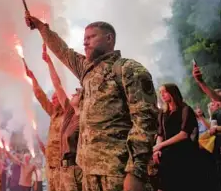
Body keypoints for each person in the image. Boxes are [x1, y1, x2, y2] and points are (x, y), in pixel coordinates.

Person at [25, 14, 158, 191]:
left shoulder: (128, 69)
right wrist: (42, 28)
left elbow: (145, 120)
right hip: (88, 174)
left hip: (117, 173)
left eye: (91, 37)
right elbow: (63, 51)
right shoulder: (86, 71)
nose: (85, 43)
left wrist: (136, 172)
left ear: (109, 38)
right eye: (84, 39)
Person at [42, 45, 83, 191]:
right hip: (64, 170)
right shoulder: (70, 114)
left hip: (78, 170)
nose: (73, 94)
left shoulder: (86, 117)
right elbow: (57, 85)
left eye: (77, 93)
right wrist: (49, 63)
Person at [153, 83, 201, 191]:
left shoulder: (185, 109)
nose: (162, 95)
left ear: (173, 93)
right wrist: (157, 149)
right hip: (167, 152)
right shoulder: (162, 112)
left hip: (184, 152)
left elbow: (184, 134)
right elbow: (160, 133)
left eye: (165, 92)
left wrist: (160, 145)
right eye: (160, 93)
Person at [26, 65, 63, 191]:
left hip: (63, 168)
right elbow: (40, 96)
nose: (52, 101)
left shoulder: (69, 114)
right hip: (50, 167)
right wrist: (32, 78)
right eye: (52, 99)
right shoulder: (54, 114)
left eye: (55, 98)